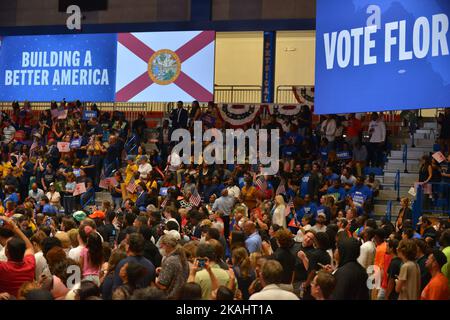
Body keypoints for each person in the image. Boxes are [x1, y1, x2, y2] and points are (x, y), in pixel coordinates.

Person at [0, 216, 35, 298]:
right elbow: (30, 247)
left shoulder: (2, 267)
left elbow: (29, 248)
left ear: (6, 252)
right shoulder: (30, 264)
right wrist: (15, 228)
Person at [155, 233, 189, 299]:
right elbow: (177, 274)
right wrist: (163, 271)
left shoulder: (170, 260)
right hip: (180, 295)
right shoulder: (182, 257)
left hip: (169, 296)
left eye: (161, 246)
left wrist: (155, 279)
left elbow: (163, 285)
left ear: (167, 246)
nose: (161, 249)